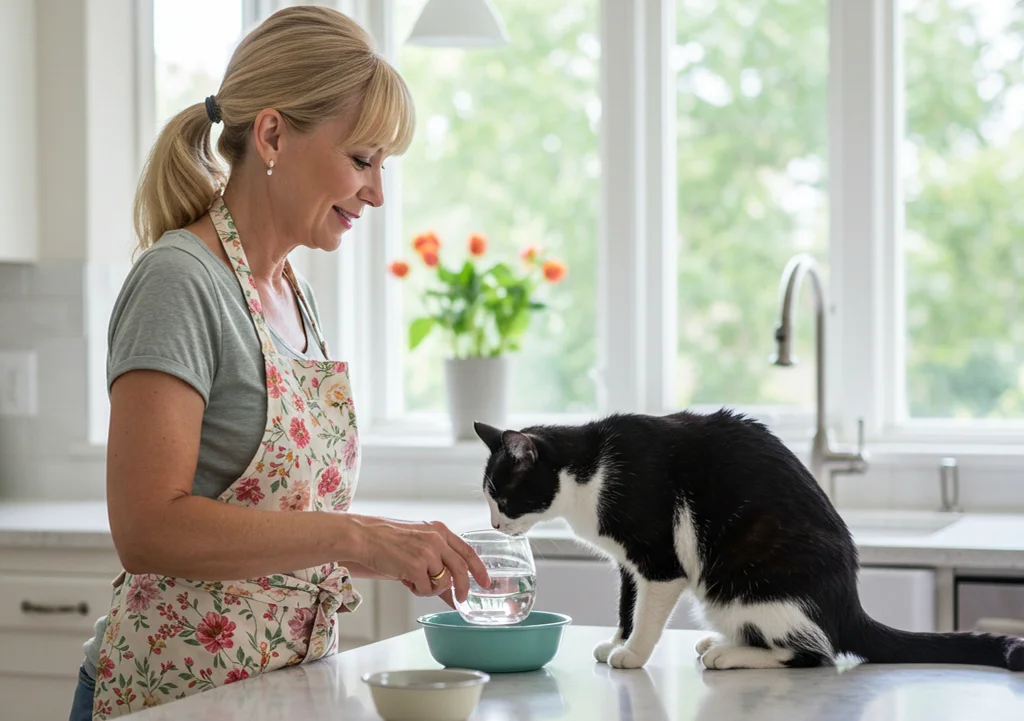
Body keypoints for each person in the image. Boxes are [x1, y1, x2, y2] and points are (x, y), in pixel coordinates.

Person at [68, 7, 489, 720]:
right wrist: (358, 533)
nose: (377, 192)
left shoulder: (290, 292)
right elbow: (147, 529)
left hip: (278, 695)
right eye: (362, 160)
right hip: (173, 698)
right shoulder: (181, 281)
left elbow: (276, 530)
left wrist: (392, 549)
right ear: (272, 134)